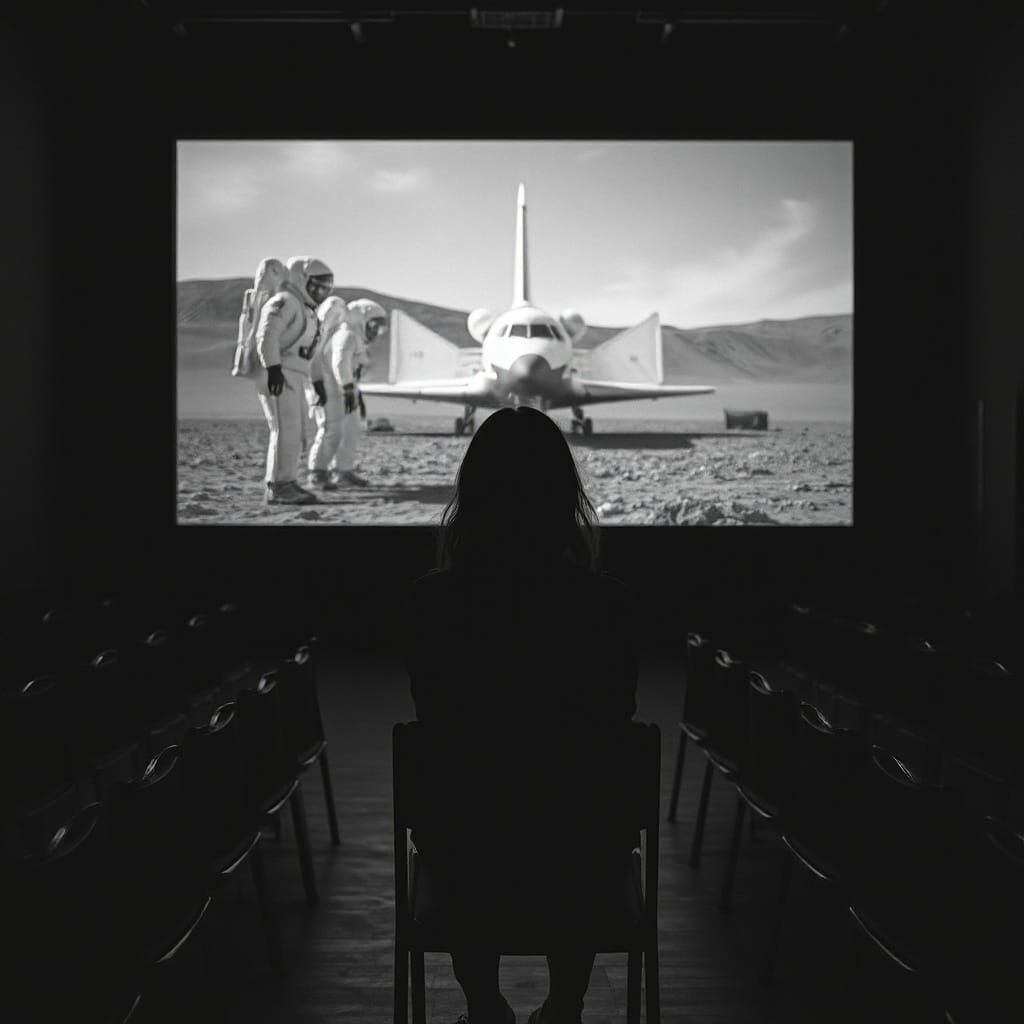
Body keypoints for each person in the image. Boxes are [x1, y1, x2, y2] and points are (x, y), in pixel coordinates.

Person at [402, 407, 640, 1024]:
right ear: (564, 495)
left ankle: (485, 1009)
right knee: (581, 825)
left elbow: (438, 729)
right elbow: (613, 734)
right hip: (580, 862)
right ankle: (564, 1009)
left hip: (468, 859)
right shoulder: (607, 607)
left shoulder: (432, 605)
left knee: (464, 823)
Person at [254, 255, 334, 504]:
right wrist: (273, 367)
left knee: (296, 430)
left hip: (294, 375)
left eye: (325, 288)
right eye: (317, 286)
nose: (321, 292)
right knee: (285, 429)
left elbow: (313, 353)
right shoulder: (285, 302)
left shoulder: (308, 312)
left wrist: (317, 382)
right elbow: (267, 333)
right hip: (277, 373)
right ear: (302, 279)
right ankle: (278, 487)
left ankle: (287, 482)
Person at [307, 296, 388, 490]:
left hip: (345, 390)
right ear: (362, 319)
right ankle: (317, 473)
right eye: (374, 325)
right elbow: (339, 362)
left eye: (379, 327)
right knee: (331, 431)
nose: (376, 331)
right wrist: (348, 387)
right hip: (330, 390)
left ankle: (343, 471)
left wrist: (351, 389)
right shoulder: (346, 335)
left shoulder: (354, 336)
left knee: (351, 430)